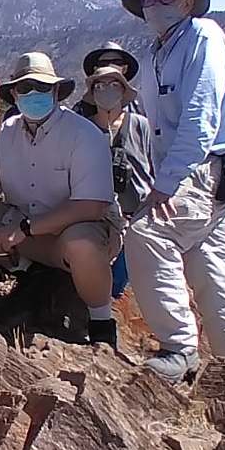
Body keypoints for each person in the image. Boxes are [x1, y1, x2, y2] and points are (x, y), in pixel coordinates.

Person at [120, 0, 225, 383]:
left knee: (148, 234)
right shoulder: (156, 53)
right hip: (203, 168)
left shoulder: (203, 37)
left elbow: (201, 118)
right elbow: (156, 124)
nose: (155, 4)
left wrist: (165, 186)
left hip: (210, 163)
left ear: (187, 2)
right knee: (209, 259)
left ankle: (180, 347)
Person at [0, 52, 123, 347]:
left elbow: (92, 206)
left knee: (81, 244)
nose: (33, 94)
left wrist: (25, 229)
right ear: (14, 93)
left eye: (41, 87)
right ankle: (25, 267)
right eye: (25, 88)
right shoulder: (6, 134)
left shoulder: (83, 135)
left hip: (78, 229)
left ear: (55, 91)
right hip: (26, 224)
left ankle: (101, 322)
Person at [77, 65, 155, 299]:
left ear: (123, 90)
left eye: (114, 85)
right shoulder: (82, 128)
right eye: (100, 86)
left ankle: (115, 295)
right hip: (95, 212)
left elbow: (155, 162)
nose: (107, 91)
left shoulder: (141, 125)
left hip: (136, 212)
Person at [73, 41, 142, 119]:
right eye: (103, 64)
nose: (110, 66)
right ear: (96, 69)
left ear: (125, 69)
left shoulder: (138, 108)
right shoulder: (80, 112)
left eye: (117, 62)